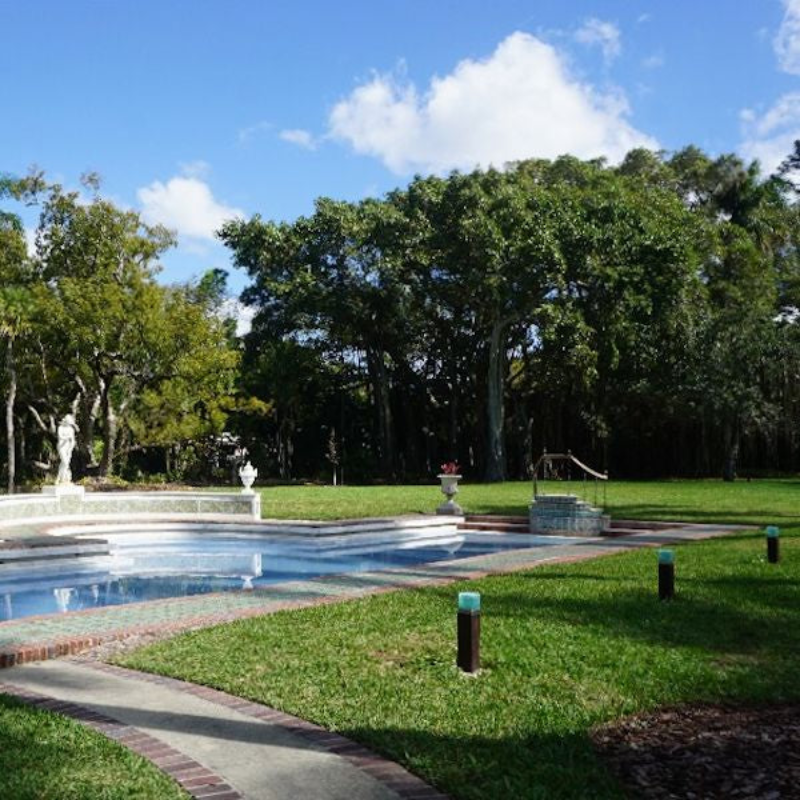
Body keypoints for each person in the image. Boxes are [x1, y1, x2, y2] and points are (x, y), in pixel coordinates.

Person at [56, 414, 78, 484]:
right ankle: (62, 478)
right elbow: (60, 437)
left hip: (68, 447)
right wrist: (67, 437)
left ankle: (59, 478)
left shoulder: (71, 429)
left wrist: (70, 449)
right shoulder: (60, 428)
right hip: (61, 446)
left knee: (64, 463)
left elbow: (73, 440)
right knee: (65, 462)